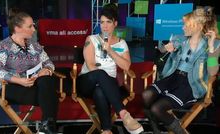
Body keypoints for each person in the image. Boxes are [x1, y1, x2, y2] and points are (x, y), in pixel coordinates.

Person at [142, 6, 220, 134]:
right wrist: (165, 48)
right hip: (173, 77)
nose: (183, 27)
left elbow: (212, 71)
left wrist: (211, 48)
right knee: (146, 95)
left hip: (191, 84)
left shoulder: (214, 44)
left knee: (157, 108)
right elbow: (163, 49)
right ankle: (156, 130)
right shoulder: (180, 39)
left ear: (198, 26)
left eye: (186, 25)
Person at [76, 3, 144, 134]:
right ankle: (124, 113)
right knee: (100, 74)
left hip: (108, 85)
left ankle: (106, 130)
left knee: (100, 91)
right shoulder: (91, 39)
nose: (105, 26)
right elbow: (90, 65)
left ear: (115, 23)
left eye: (108, 22)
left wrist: (111, 51)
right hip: (87, 81)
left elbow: (126, 66)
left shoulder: (121, 43)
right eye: (102, 22)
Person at [0, 11, 58, 134]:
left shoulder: (35, 45)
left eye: (33, 25)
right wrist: (19, 80)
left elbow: (49, 63)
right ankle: (47, 127)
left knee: (47, 79)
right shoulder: (4, 46)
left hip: (34, 84)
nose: (34, 29)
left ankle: (46, 128)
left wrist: (46, 70)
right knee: (50, 95)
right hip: (10, 86)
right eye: (30, 26)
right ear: (17, 28)